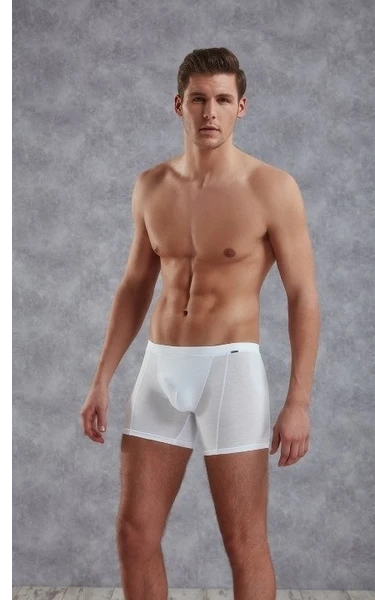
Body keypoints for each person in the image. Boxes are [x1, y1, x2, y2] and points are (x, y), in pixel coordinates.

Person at [80, 47, 321, 600]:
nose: (210, 112)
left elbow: (303, 295)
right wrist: (102, 378)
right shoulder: (151, 185)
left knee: (243, 540)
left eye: (222, 100)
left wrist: (299, 402)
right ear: (178, 105)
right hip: (160, 367)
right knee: (135, 535)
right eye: (198, 99)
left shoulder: (271, 188)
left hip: (229, 371)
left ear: (242, 107)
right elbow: (135, 285)